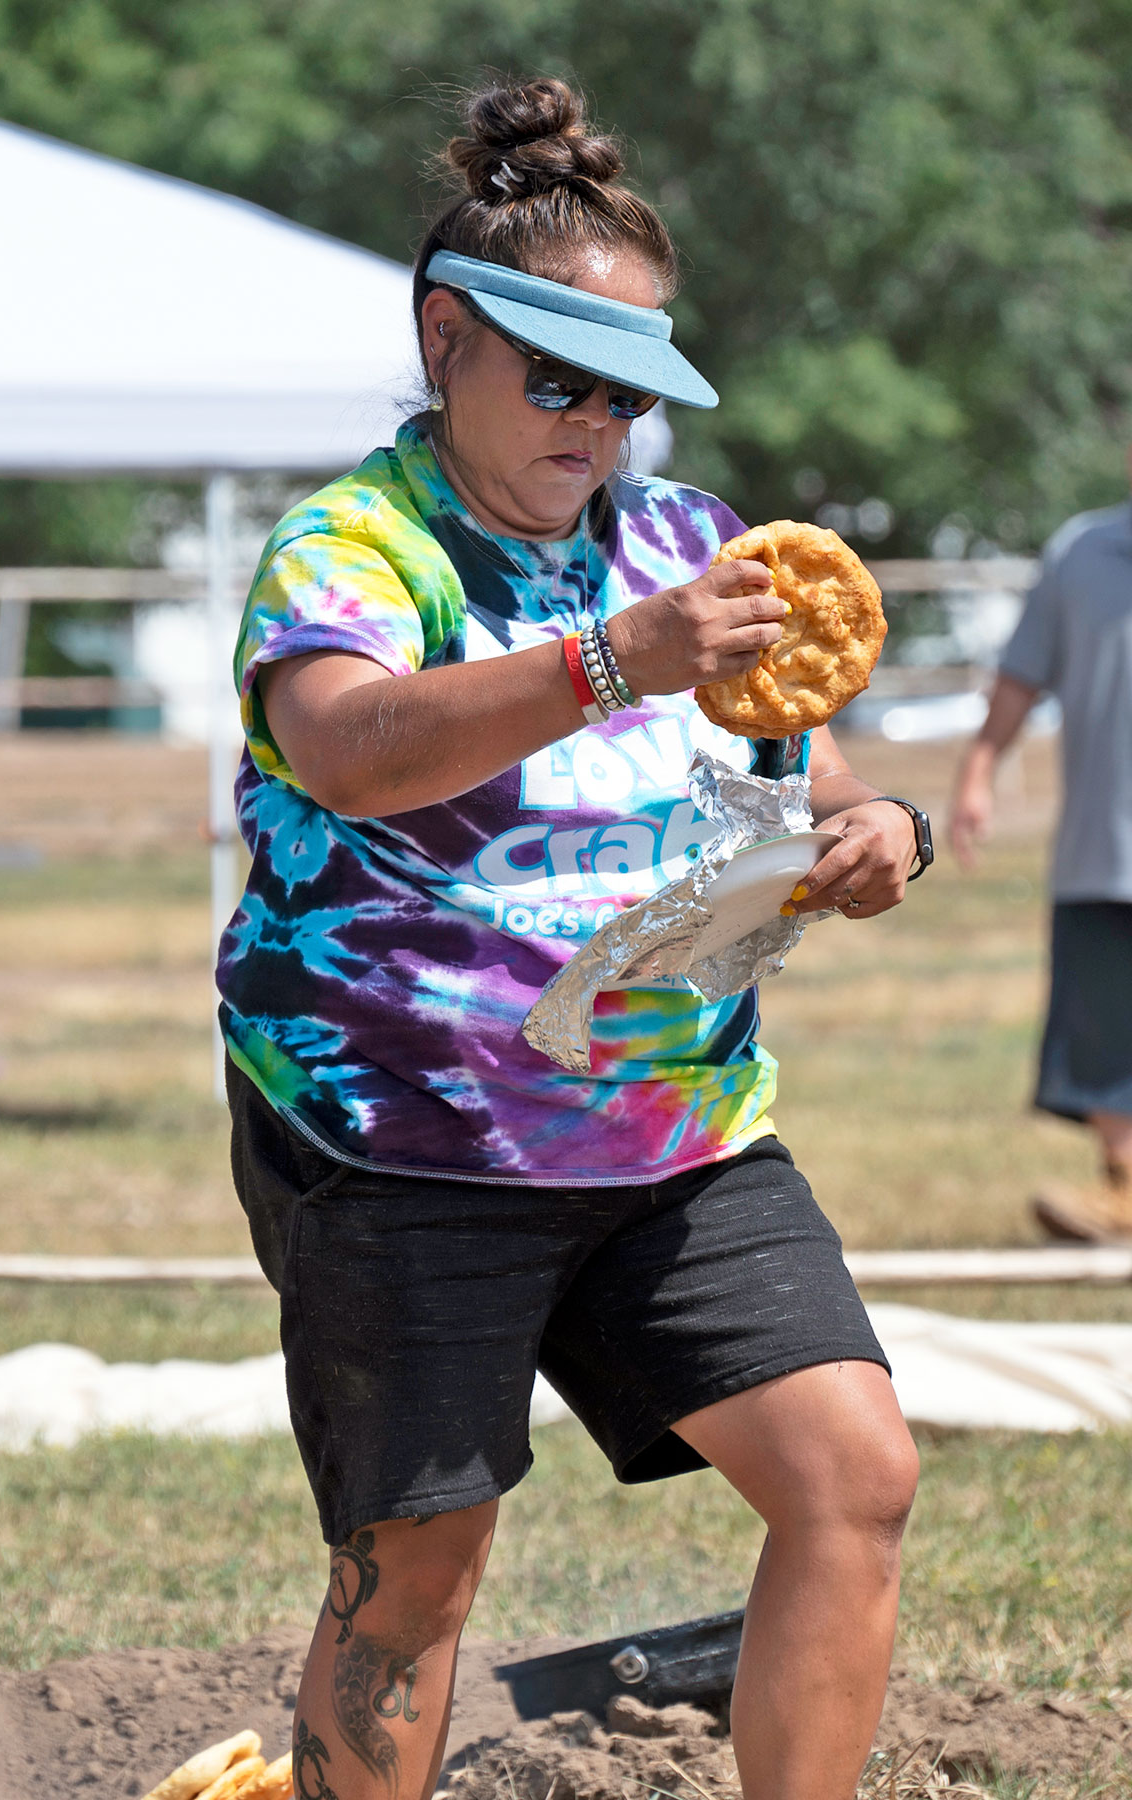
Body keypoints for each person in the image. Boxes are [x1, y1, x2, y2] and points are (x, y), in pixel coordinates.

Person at [219, 78, 926, 1800]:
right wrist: (615, 661)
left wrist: (872, 829)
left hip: (677, 1128)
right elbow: (349, 751)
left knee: (854, 1476)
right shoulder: (353, 548)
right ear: (445, 339)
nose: (597, 424)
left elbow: (807, 767)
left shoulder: (692, 547)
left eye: (629, 393)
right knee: (417, 1574)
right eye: (558, 380)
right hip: (406, 1134)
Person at [951, 464, 1132, 1242]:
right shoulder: (1081, 551)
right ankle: (1124, 1186)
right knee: (1104, 1024)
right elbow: (1022, 673)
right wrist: (980, 769)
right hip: (1104, 842)